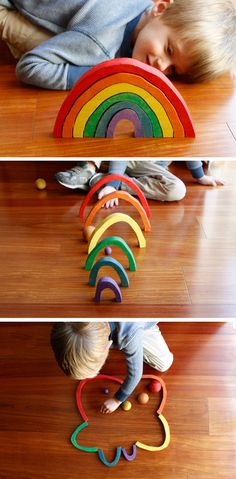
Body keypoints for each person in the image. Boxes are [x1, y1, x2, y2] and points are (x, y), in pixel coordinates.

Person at [0, 0, 236, 89]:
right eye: (169, 50)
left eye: (173, 70)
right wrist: (102, 76)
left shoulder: (144, 9)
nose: (161, 67)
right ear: (160, 8)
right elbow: (30, 66)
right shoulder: (101, 44)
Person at [50, 321, 173, 413]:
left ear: (109, 344)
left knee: (164, 363)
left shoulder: (129, 334)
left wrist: (117, 400)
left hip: (139, 322)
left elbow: (136, 374)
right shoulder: (68, 319)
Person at [55, 160, 224, 208]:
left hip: (149, 167)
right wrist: (113, 184)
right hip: (123, 158)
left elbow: (188, 148)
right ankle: (92, 170)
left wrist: (199, 176)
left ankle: (99, 179)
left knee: (176, 189)